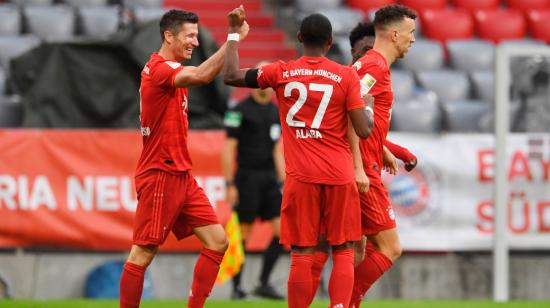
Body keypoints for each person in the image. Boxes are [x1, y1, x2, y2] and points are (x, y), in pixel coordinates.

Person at [223, 11, 374, 308]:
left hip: (301, 178)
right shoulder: (346, 76)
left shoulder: (281, 71)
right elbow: (363, 130)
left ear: (300, 39)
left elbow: (230, 75)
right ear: (330, 42)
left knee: (302, 253)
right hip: (339, 176)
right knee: (343, 249)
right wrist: (367, 105)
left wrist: (232, 35)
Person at [119, 8, 249, 308]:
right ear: (168, 35)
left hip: (181, 175)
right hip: (161, 173)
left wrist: (233, 41)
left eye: (196, 35)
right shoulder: (160, 69)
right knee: (142, 253)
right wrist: (232, 38)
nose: (194, 41)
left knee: (218, 241)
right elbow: (203, 75)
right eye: (189, 36)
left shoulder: (172, 68)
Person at [349, 5, 417, 308]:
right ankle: (345, 303)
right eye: (411, 33)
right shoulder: (374, 67)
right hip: (363, 170)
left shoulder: (371, 66)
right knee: (390, 248)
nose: (413, 40)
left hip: (366, 162)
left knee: (355, 251)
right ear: (394, 34)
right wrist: (359, 167)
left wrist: (386, 149)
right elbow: (348, 111)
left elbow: (360, 115)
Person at [221, 64, 285, 300]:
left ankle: (263, 283)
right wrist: (229, 184)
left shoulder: (275, 111)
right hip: (246, 178)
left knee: (283, 232)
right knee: (243, 234)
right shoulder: (238, 110)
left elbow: (278, 149)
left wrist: (285, 181)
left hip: (269, 179)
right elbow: (228, 149)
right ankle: (236, 288)